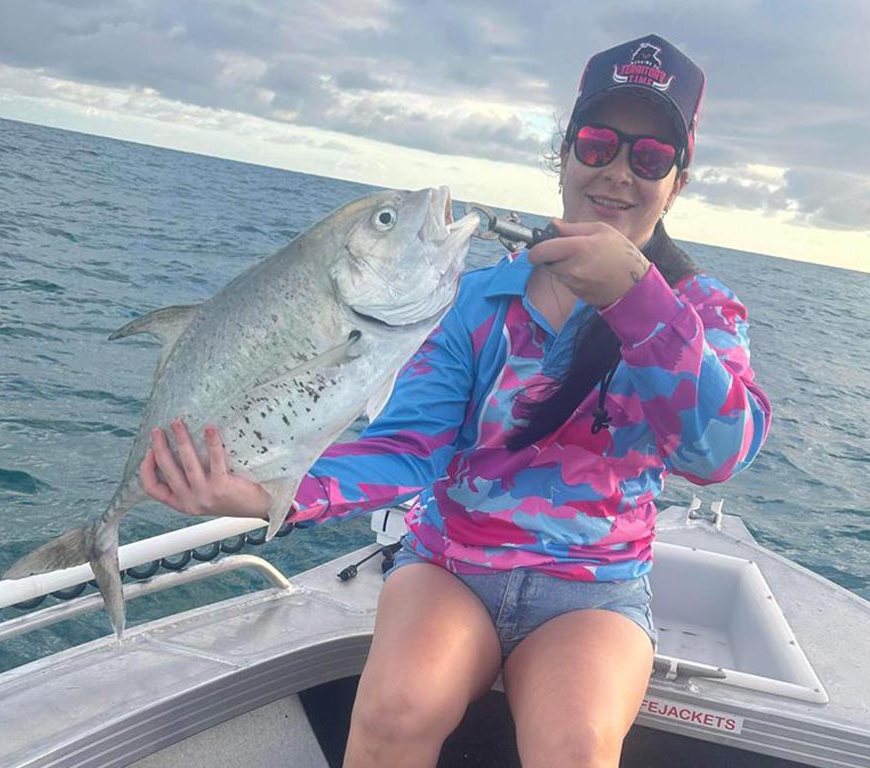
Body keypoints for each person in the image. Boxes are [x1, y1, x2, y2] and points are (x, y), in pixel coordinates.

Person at [140, 33, 771, 768]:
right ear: (565, 154)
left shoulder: (701, 311)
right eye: (598, 144)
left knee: (576, 749)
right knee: (394, 712)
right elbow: (411, 445)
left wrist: (636, 300)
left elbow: (718, 454)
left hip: (595, 589)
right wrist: (266, 492)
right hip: (450, 566)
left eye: (651, 158)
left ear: (678, 181)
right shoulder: (477, 299)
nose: (619, 173)